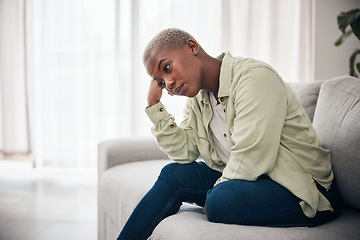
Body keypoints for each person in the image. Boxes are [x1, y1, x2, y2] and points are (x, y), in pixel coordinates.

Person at [116, 28, 342, 240]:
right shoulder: (199, 100)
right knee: (173, 174)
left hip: (302, 188)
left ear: (192, 47)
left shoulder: (254, 77)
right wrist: (154, 106)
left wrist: (217, 191)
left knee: (219, 202)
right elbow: (185, 153)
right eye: (161, 82)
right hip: (254, 181)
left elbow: (252, 156)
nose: (169, 84)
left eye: (167, 68)